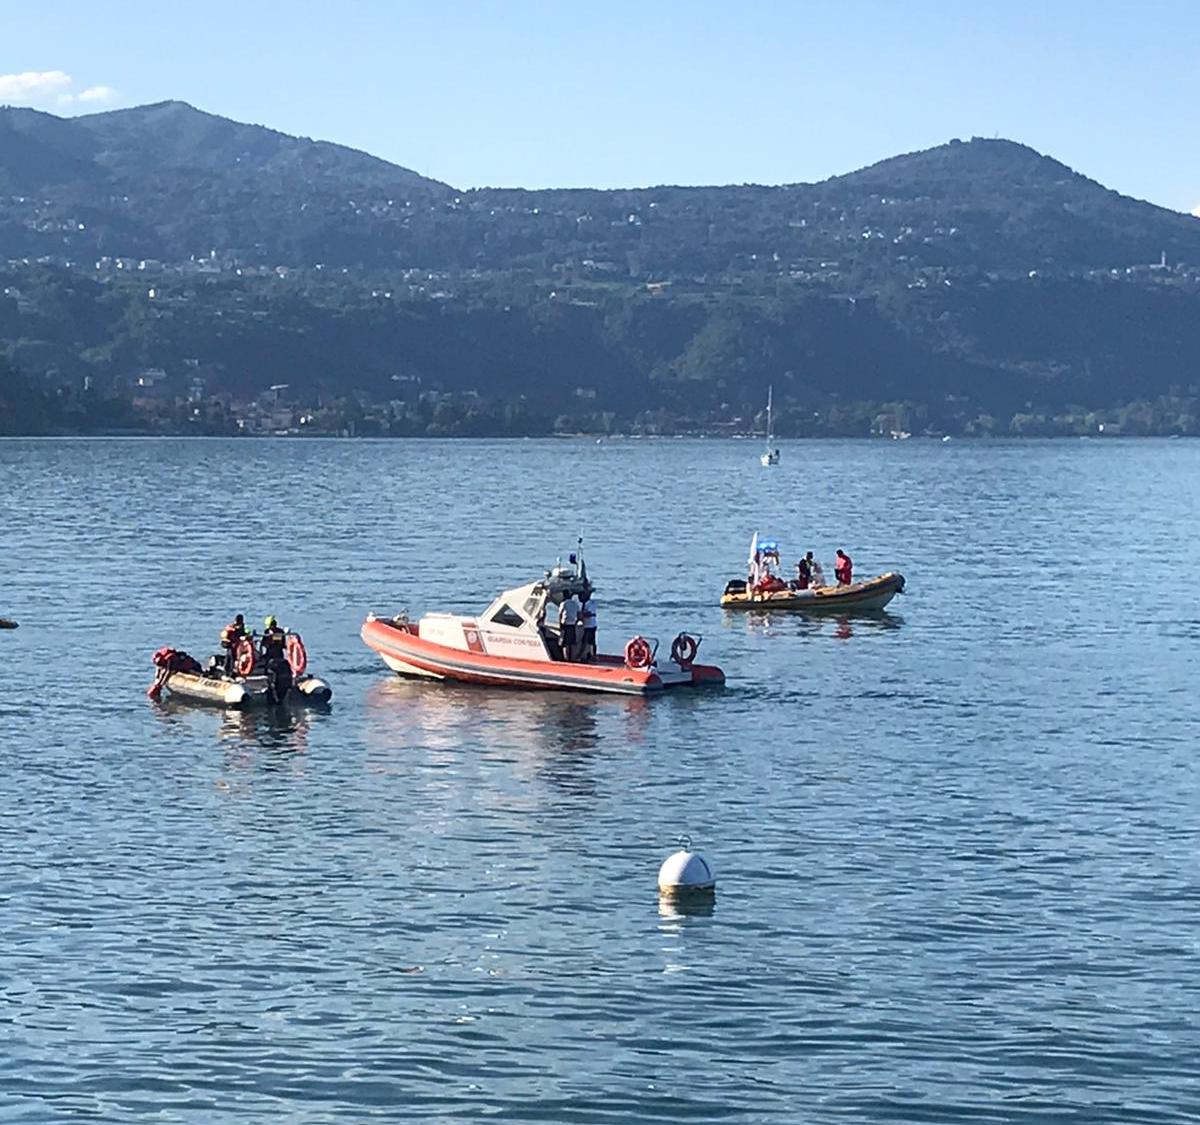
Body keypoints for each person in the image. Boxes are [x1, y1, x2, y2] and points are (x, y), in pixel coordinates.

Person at [260, 615, 292, 702]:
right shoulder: (280, 632)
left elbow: (264, 643)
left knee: (267, 665)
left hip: (271, 654)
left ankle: (266, 677)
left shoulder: (267, 632)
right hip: (279, 654)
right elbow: (283, 644)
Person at [558, 593, 579, 662]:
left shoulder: (563, 603)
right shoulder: (575, 604)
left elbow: (560, 614)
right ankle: (572, 658)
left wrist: (560, 624)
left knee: (565, 644)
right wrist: (576, 622)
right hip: (572, 624)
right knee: (572, 643)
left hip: (565, 624)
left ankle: (566, 659)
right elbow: (578, 614)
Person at [579, 589, 598, 662]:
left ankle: (583, 656)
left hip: (589, 625)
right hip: (592, 624)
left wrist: (581, 615)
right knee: (592, 641)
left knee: (586, 641)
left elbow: (588, 614)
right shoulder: (592, 602)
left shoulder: (587, 604)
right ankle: (593, 655)